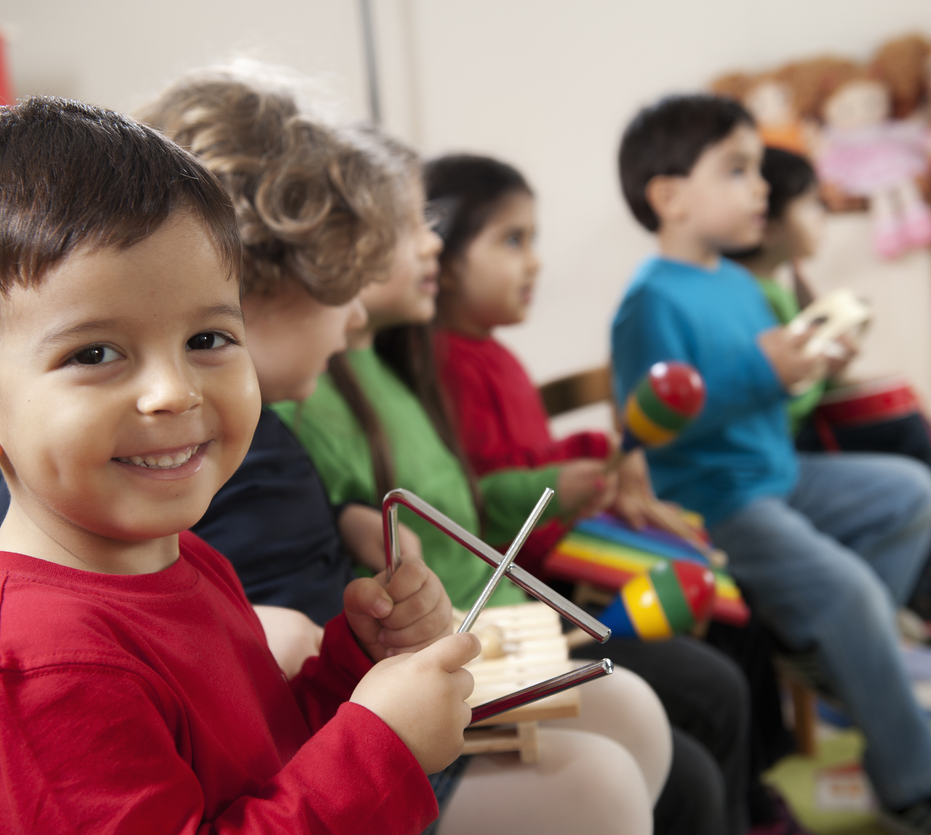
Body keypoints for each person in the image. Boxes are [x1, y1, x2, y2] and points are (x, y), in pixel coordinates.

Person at [0, 69, 663, 835]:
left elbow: (266, 759)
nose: (173, 393)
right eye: (95, 352)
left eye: (207, 338)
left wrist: (356, 668)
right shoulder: (42, 677)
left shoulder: (180, 559)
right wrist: (382, 744)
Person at [281, 149, 754, 835]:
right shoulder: (314, 398)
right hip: (474, 642)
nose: (431, 243)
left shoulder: (387, 366)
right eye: (411, 223)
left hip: (508, 618)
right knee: (690, 757)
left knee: (706, 696)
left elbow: (461, 505)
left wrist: (564, 478)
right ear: (327, 244)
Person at [610, 92, 931, 835]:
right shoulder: (648, 302)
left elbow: (772, 392)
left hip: (779, 477)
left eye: (758, 169)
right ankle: (912, 782)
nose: (760, 186)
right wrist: (763, 372)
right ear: (668, 197)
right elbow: (654, 432)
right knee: (853, 594)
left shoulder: (738, 283)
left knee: (909, 492)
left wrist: (812, 363)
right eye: (737, 170)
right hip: (716, 502)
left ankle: (820, 654)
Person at [425, 151, 810, 835]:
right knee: (717, 635)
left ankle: (748, 790)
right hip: (546, 574)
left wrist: (596, 455)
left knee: (726, 595)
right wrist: (562, 481)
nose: (535, 260)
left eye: (534, 239)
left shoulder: (495, 353)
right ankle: (740, 800)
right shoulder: (449, 366)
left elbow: (525, 457)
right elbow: (480, 496)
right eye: (513, 240)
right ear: (444, 258)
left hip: (562, 546)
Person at [725, 146, 931, 644]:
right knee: (909, 434)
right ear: (766, 224)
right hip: (781, 450)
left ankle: (910, 584)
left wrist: (831, 368)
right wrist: (821, 369)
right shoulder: (754, 294)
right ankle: (897, 594)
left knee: (909, 423)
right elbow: (780, 402)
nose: (823, 215)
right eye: (811, 204)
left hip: (789, 437)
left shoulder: (780, 284)